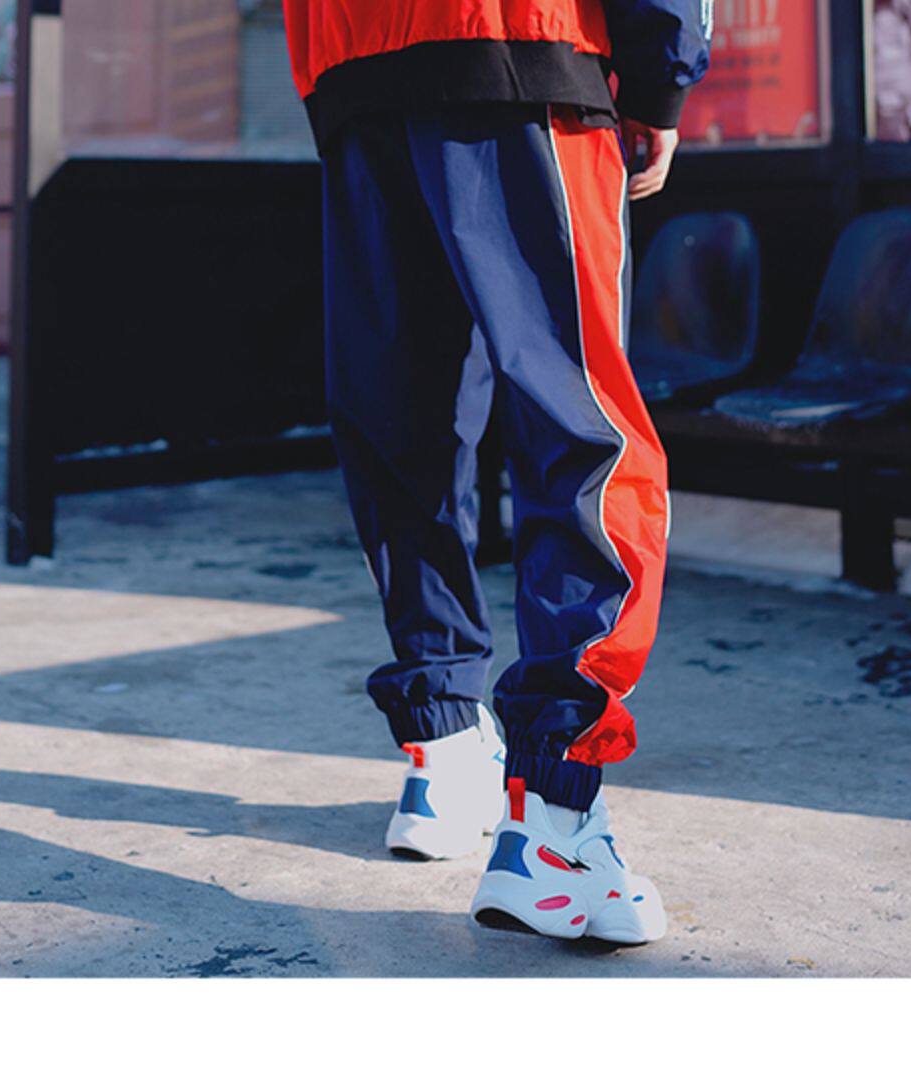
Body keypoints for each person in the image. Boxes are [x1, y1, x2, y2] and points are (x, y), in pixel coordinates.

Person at [284, 0, 711, 945]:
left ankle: (445, 743)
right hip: (519, 44)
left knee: (402, 427)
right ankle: (553, 825)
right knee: (579, 425)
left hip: (355, 68)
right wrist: (660, 78)